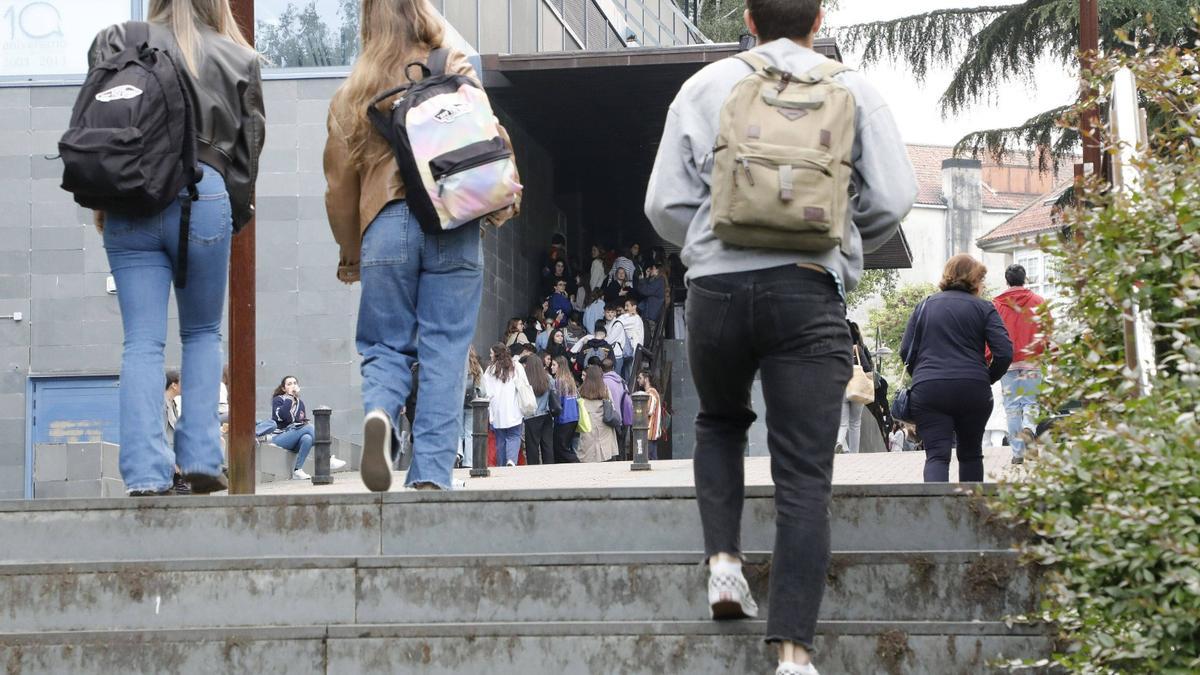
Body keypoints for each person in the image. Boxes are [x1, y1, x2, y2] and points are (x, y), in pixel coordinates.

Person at [644, 1, 919, 672]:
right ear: (818, 19)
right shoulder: (852, 89)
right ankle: (793, 652)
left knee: (719, 420)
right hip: (806, 287)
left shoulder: (704, 86)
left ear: (748, 16)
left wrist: (712, 242)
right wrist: (838, 244)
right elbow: (894, 197)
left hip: (716, 293)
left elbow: (663, 204)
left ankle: (724, 565)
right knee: (803, 472)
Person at [325, 0, 519, 492]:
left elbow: (339, 188)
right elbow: (489, 134)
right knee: (446, 351)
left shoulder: (355, 87)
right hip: (452, 222)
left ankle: (381, 417)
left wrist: (352, 253)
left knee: (385, 344)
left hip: (385, 227)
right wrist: (499, 201)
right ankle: (431, 474)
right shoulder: (451, 65)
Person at [88, 0, 264, 496]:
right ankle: (204, 459)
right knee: (203, 333)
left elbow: (99, 127)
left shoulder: (116, 40)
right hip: (203, 191)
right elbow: (248, 156)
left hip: (131, 195)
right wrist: (232, 214)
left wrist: (105, 203)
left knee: (141, 341)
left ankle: (146, 472)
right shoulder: (238, 56)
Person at [901, 255, 1013, 482]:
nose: (982, 286)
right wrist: (986, 378)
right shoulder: (984, 309)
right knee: (971, 455)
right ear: (973, 280)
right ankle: (970, 514)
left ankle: (936, 515)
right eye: (981, 280)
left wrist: (924, 376)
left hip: (930, 389)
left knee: (936, 456)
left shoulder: (924, 306)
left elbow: (906, 351)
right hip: (973, 388)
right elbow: (1004, 353)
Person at [994, 264, 1047, 465]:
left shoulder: (997, 305)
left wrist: (990, 357)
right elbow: (1047, 329)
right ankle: (1030, 430)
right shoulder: (1038, 302)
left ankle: (1017, 453)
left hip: (1007, 363)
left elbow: (991, 333)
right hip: (1032, 360)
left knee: (1012, 408)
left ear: (1007, 281)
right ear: (1025, 279)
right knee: (1031, 403)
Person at [271, 376, 347, 480]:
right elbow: (283, 416)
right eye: (289, 384)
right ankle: (327, 458)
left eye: (294, 383)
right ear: (284, 388)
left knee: (307, 438)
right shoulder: (278, 400)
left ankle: (297, 470)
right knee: (308, 427)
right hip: (280, 438)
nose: (292, 385)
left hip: (294, 439)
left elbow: (300, 421)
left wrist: (300, 424)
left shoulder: (300, 403)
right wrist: (289, 396)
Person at [482, 344, 525, 467]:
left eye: (491, 353)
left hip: (497, 410)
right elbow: (523, 385)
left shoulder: (490, 370)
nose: (490, 355)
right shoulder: (516, 366)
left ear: (496, 354)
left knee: (500, 439)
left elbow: (486, 391)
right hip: (513, 408)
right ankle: (511, 460)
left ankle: (501, 464)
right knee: (514, 435)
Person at [836, 321, 874, 454]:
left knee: (843, 422)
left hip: (841, 388)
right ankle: (854, 453)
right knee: (855, 422)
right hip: (857, 388)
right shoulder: (857, 349)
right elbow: (868, 371)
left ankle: (839, 441)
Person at [577, 365, 620, 462]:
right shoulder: (605, 389)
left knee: (589, 459)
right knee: (606, 460)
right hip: (605, 428)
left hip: (588, 427)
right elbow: (612, 407)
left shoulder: (581, 391)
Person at [520, 354, 555, 465]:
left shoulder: (525, 380)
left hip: (531, 417)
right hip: (546, 415)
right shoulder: (548, 378)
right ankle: (549, 467)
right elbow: (553, 393)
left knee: (532, 447)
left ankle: (533, 468)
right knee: (547, 445)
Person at [601, 357, 634, 459]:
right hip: (623, 419)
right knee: (621, 446)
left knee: (611, 448)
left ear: (602, 369)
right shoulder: (622, 381)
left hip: (610, 419)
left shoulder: (602, 383)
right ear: (614, 368)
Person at [551, 356, 582, 463]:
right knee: (566, 445)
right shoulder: (570, 379)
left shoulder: (559, 381)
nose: (552, 367)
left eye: (554, 365)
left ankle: (577, 462)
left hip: (564, 417)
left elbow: (558, 402)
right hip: (573, 416)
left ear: (560, 367)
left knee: (561, 448)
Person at [457, 346, 484, 469]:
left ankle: (458, 452)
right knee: (469, 433)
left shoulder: (455, 366)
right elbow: (482, 390)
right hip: (472, 404)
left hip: (457, 403)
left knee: (458, 431)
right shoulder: (476, 368)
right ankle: (468, 462)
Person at [637, 370, 664, 460]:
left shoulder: (651, 393)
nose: (638, 380)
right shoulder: (652, 392)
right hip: (651, 431)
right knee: (652, 457)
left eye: (640, 378)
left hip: (650, 430)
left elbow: (649, 411)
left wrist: (638, 411)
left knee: (650, 458)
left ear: (646, 379)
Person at [635, 262, 666, 339]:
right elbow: (647, 288)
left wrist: (641, 280)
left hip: (652, 314)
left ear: (657, 270)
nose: (650, 270)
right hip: (652, 313)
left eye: (652, 269)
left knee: (650, 337)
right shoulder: (657, 280)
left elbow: (646, 291)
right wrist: (647, 276)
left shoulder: (659, 281)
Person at [619, 298, 646, 378]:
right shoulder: (633, 318)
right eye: (625, 306)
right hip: (631, 351)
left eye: (627, 306)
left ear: (634, 307)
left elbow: (618, 323)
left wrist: (625, 315)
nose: (625, 308)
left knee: (629, 375)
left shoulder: (635, 319)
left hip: (633, 351)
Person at [603, 304, 629, 377]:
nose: (610, 314)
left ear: (615, 313)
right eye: (608, 312)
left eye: (612, 312)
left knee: (615, 377)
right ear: (604, 313)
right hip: (610, 354)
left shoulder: (617, 324)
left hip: (616, 355)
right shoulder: (606, 324)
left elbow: (609, 340)